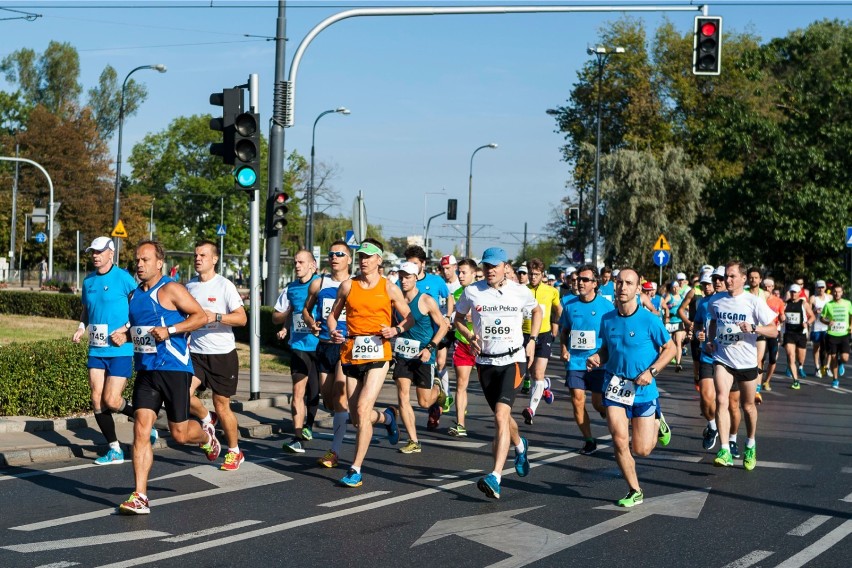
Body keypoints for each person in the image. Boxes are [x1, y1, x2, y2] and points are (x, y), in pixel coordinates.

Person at [116, 240, 215, 515]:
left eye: (145, 260)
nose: (139, 264)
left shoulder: (171, 289)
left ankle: (207, 437)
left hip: (174, 370)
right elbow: (138, 328)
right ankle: (140, 495)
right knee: (140, 430)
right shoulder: (134, 296)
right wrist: (124, 335)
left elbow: (201, 317)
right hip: (147, 371)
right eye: (137, 259)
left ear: (159, 263)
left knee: (180, 435)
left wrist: (171, 330)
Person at [454, 247, 541, 499]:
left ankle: (495, 476)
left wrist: (532, 339)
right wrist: (470, 335)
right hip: (485, 363)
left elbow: (537, 311)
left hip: (513, 360)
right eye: (486, 266)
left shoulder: (519, 291)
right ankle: (519, 444)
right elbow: (458, 318)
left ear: (505, 266)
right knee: (502, 416)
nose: (489, 270)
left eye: (494, 266)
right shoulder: (472, 291)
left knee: (501, 416)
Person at [586, 268, 676, 507]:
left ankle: (658, 418)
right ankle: (634, 490)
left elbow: (671, 349)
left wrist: (652, 372)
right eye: (619, 282)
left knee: (642, 449)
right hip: (615, 386)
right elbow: (607, 349)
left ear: (638, 289)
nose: (622, 287)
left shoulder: (650, 320)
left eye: (628, 283)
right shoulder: (607, 319)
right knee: (618, 439)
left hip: (644, 390)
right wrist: (597, 357)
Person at [328, 239, 413, 487]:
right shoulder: (347, 286)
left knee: (363, 409)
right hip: (351, 353)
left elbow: (409, 318)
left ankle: (355, 469)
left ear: (379, 260)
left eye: (368, 256)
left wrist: (395, 329)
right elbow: (333, 317)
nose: (363, 260)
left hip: (378, 354)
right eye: (361, 256)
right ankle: (387, 418)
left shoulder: (389, 288)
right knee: (357, 417)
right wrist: (334, 331)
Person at [73, 237, 154, 465]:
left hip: (120, 349)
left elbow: (139, 306)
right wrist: (81, 328)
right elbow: (87, 310)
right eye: (92, 252)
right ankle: (114, 449)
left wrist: (126, 329)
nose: (95, 256)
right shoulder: (88, 281)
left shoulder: (123, 278)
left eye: (99, 252)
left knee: (112, 399)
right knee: (97, 399)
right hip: (97, 348)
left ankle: (143, 419)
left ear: (111, 253)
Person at [706, 261, 778, 471]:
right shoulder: (716, 300)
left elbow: (773, 331)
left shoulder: (753, 302)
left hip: (747, 361)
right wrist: (710, 341)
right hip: (723, 358)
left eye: (731, 276)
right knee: (721, 399)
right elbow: (712, 322)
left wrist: (754, 328)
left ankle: (751, 444)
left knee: (747, 406)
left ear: (743, 279)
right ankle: (725, 449)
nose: (727, 280)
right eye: (725, 276)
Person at [185, 240, 248, 471]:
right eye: (195, 255)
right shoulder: (190, 286)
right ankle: (206, 418)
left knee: (222, 405)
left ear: (214, 259)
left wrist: (217, 317)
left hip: (222, 355)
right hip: (196, 354)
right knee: (181, 394)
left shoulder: (225, 286)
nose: (198, 259)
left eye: (203, 255)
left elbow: (241, 318)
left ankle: (234, 451)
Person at [302, 240, 352, 468]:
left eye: (340, 254)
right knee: (329, 401)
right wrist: (312, 323)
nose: (335, 257)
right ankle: (371, 415)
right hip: (324, 346)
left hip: (346, 346)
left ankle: (334, 451)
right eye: (332, 254)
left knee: (340, 399)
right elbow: (305, 310)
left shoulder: (355, 285)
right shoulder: (318, 284)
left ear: (349, 259)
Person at [392, 262, 448, 453]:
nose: (404, 280)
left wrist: (430, 348)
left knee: (424, 402)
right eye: (401, 276)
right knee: (402, 396)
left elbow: (443, 326)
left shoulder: (426, 300)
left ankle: (438, 389)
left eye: (408, 277)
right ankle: (413, 440)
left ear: (416, 278)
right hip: (403, 355)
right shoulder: (395, 300)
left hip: (424, 355)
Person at [559, 264, 614, 454]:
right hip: (576, 361)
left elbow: (613, 334)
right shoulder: (569, 304)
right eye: (578, 279)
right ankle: (589, 439)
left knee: (597, 403)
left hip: (598, 363)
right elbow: (564, 331)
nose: (580, 283)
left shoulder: (607, 307)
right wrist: (564, 348)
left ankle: (620, 418)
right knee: (577, 399)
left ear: (595, 283)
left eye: (585, 280)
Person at [274, 250, 320, 454]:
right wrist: (286, 322)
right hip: (299, 347)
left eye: (302, 262)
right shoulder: (290, 289)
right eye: (295, 262)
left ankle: (309, 424)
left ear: (313, 265)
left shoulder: (322, 284)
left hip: (320, 346)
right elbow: (276, 316)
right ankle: (298, 436)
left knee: (316, 391)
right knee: (297, 393)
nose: (297, 265)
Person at [692, 269, 742, 452]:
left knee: (732, 404)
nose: (718, 282)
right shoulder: (705, 303)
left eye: (721, 278)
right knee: (707, 398)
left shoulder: (737, 301)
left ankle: (733, 439)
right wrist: (699, 333)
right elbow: (697, 323)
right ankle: (712, 426)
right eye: (715, 279)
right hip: (709, 356)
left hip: (732, 359)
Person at [521, 258, 562, 425]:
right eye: (531, 274)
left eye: (536, 274)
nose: (533, 277)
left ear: (542, 275)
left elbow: (558, 310)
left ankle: (531, 409)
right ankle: (544, 385)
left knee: (537, 372)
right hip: (524, 334)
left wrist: (555, 326)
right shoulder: (522, 290)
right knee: (530, 372)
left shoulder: (551, 291)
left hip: (543, 335)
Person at [449, 258, 478, 437]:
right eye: (458, 272)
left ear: (474, 274)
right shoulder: (457, 293)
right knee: (461, 384)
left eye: (463, 272)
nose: (460, 275)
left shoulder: (483, 292)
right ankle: (460, 424)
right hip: (463, 343)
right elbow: (453, 319)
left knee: (491, 387)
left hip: (484, 345)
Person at [781, 283, 814, 390]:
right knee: (791, 355)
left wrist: (807, 323)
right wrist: (781, 319)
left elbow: (812, 316)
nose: (793, 294)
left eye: (795, 292)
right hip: (789, 333)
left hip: (801, 334)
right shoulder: (785, 304)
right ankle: (796, 381)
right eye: (792, 292)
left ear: (799, 293)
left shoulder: (804, 304)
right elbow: (780, 315)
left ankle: (800, 366)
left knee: (800, 358)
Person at [820, 283, 851, 388]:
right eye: (835, 291)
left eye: (839, 291)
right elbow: (822, 318)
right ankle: (835, 380)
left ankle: (840, 363)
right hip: (832, 334)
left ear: (842, 293)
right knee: (833, 358)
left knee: (845, 358)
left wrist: (851, 326)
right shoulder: (828, 305)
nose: (837, 294)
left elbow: (851, 316)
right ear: (832, 292)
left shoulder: (848, 303)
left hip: (844, 334)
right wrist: (827, 322)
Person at [810, 280, 830, 378]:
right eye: (819, 287)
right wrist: (814, 311)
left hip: (827, 327)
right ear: (816, 288)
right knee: (816, 347)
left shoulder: (829, 298)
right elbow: (808, 313)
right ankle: (817, 368)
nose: (821, 289)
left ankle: (827, 366)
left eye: (822, 287)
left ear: (825, 288)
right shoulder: (813, 298)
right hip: (816, 327)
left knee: (828, 348)